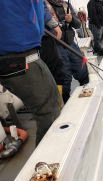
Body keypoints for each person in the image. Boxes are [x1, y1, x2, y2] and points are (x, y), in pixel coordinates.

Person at [0, 0, 61, 145]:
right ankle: (45, 163)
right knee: (49, 113)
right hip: (16, 54)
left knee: (52, 105)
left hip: (28, 54)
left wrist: (50, 22)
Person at [46, 0, 89, 103]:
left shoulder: (67, 4)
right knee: (63, 76)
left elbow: (78, 25)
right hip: (55, 46)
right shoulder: (43, 5)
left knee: (82, 69)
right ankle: (64, 104)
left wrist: (71, 20)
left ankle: (86, 95)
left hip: (70, 43)